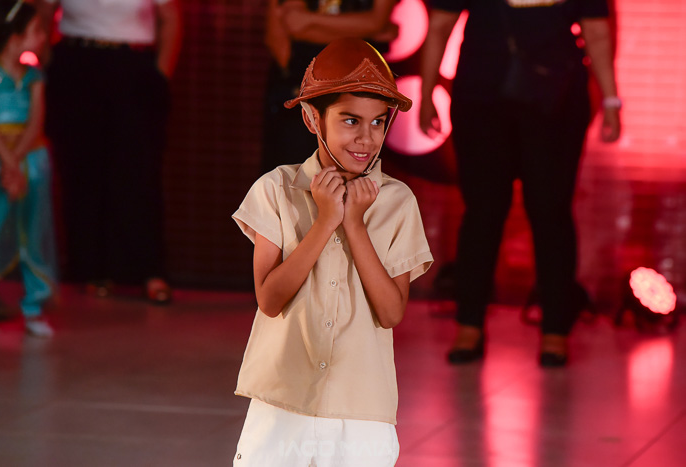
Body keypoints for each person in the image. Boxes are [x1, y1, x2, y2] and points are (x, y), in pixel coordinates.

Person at [232, 38, 433, 466]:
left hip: (362, 412)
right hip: (282, 404)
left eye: (378, 122)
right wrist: (325, 221)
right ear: (311, 118)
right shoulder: (275, 190)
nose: (366, 138)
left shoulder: (398, 202)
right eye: (350, 120)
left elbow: (391, 312)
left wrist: (354, 224)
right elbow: (269, 299)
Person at [419, 0, 621, 367]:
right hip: (483, 99)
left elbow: (597, 30)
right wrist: (426, 93)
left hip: (553, 101)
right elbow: (439, 24)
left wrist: (611, 99)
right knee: (484, 213)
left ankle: (555, 328)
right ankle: (470, 323)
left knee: (549, 213)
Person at [36, 0, 182, 303]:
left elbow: (170, 18)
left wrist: (160, 75)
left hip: (134, 66)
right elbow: (44, 12)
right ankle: (91, 270)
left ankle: (149, 271)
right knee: (82, 171)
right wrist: (48, 65)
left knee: (139, 173)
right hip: (76, 63)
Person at [261, 0, 399, 174]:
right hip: (302, 84)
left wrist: (310, 20)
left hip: (361, 86)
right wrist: (364, 31)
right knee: (293, 174)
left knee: (357, 172)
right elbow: (294, 23)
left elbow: (375, 21)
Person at [0, 0, 56, 339]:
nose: (43, 37)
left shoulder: (33, 75)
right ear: (14, 36)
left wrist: (16, 161)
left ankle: (34, 306)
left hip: (30, 160)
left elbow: (36, 121)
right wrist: (6, 161)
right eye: (36, 31)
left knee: (32, 232)